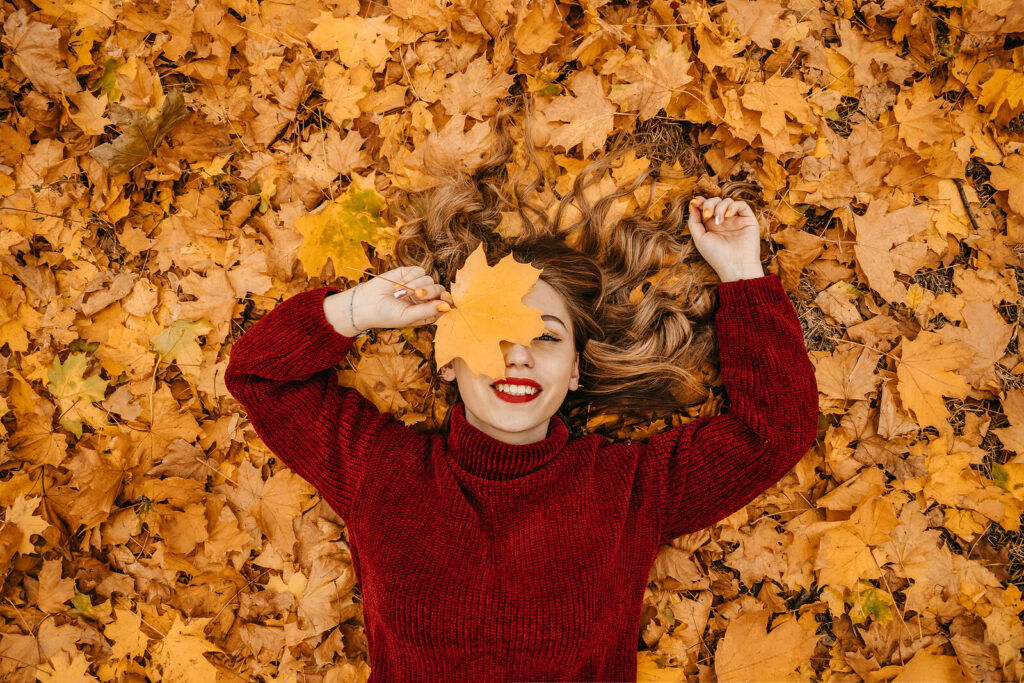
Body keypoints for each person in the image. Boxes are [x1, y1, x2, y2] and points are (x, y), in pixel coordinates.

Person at [224, 103, 819, 682]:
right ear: (450, 360)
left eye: (548, 337)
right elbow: (260, 378)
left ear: (575, 373)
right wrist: (357, 310)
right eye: (496, 331)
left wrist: (742, 271)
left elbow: (774, 431)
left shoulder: (628, 491)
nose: (518, 353)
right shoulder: (381, 473)